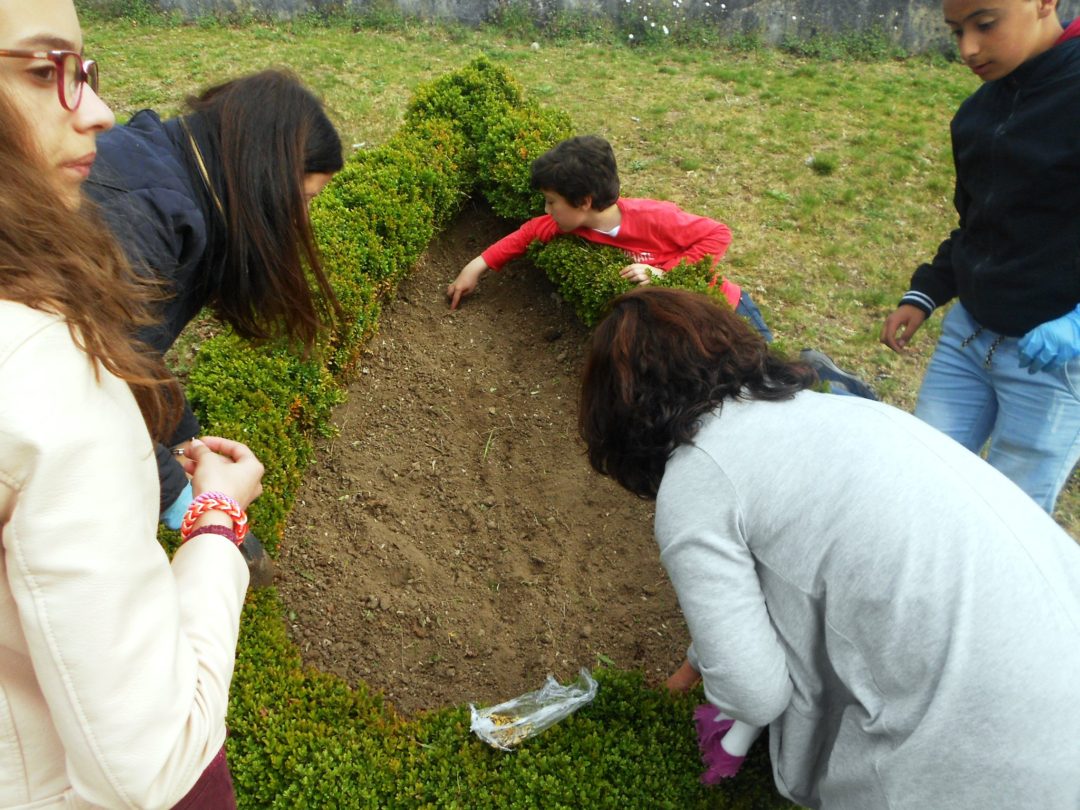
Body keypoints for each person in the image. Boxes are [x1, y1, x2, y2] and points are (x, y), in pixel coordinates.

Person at [580, 286, 1080, 809]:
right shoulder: (845, 412)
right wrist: (692, 666)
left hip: (987, 760)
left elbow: (754, 693)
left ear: (620, 412)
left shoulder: (699, 476)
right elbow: (779, 569)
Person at [0, 1, 265, 806]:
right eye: (47, 72)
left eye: (86, 71)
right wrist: (215, 524)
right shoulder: (49, 376)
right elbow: (147, 768)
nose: (101, 113)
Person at [84, 69, 344, 579]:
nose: (304, 222)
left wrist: (186, 443)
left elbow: (131, 352)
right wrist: (195, 505)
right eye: (306, 200)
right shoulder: (141, 219)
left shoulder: (182, 178)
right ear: (267, 174)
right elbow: (96, 388)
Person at [449, 135, 875, 398]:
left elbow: (719, 234)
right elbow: (525, 235)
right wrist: (476, 267)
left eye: (551, 202)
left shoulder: (654, 217)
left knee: (771, 385)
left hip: (725, 311)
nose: (546, 210)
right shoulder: (568, 226)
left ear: (582, 202)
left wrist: (667, 272)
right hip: (689, 322)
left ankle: (828, 381)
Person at [881, 0, 1080, 513]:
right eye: (955, 31)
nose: (968, 48)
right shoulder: (976, 113)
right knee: (922, 483)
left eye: (985, 24)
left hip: (1054, 360)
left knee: (1010, 517)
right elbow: (979, 224)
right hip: (969, 338)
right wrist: (927, 290)